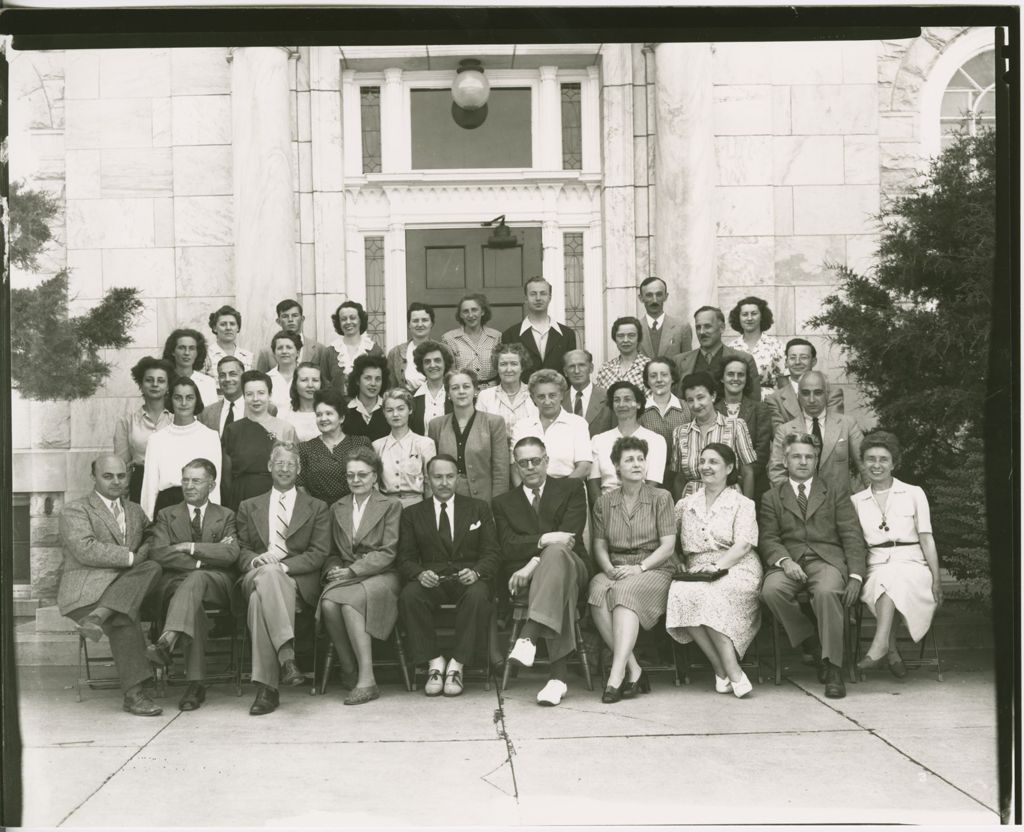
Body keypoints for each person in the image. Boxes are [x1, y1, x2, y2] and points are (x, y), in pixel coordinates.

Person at [759, 433, 868, 700]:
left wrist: (855, 575)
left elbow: (851, 535)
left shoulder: (834, 492)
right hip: (790, 561)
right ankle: (812, 641)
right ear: (785, 460)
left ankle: (833, 669)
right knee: (771, 591)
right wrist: (785, 561)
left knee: (828, 592)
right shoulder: (772, 497)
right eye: (797, 456)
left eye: (809, 457)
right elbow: (768, 538)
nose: (803, 461)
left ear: (817, 460)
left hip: (826, 560)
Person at [57, 455, 163, 715]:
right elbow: (85, 549)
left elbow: (152, 536)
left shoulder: (136, 511)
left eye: (121, 476)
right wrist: (130, 557)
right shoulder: (75, 509)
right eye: (108, 476)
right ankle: (135, 694)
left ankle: (99, 616)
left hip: (125, 591)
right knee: (124, 617)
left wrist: (144, 553)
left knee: (154, 567)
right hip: (87, 591)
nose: (116, 481)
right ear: (93, 477)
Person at [492, 438, 591, 706]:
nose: (530, 467)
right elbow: (507, 546)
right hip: (546, 578)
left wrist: (531, 564)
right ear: (516, 467)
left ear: (546, 460)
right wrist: (545, 538)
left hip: (573, 566)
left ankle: (529, 633)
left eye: (536, 460)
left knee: (558, 555)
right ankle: (557, 679)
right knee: (560, 582)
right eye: (523, 463)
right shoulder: (503, 502)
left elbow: (567, 540)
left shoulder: (571, 488)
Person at [236, 441, 330, 715]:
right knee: (264, 578)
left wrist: (282, 568)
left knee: (258, 601)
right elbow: (240, 550)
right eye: (279, 463)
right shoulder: (248, 506)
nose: (285, 468)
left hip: (296, 580)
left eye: (291, 463)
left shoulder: (317, 507)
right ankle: (287, 656)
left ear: (299, 469)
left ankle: (267, 690)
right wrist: (256, 560)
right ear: (269, 466)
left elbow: (319, 552)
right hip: (256, 572)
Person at [397, 454, 501, 697]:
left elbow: (493, 553)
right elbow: (404, 558)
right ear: (427, 479)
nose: (444, 482)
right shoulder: (413, 514)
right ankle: (434, 662)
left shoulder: (478, 508)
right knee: (410, 595)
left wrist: (476, 572)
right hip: (433, 579)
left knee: (478, 596)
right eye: (438, 477)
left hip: (468, 578)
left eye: (450, 477)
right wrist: (420, 574)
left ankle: (457, 665)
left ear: (458, 478)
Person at [666, 444, 762, 698]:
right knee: (680, 593)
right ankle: (722, 669)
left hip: (736, 566)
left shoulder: (742, 503)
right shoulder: (685, 505)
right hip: (698, 567)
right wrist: (676, 559)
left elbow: (743, 544)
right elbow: (666, 538)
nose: (706, 467)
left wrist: (717, 567)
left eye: (714, 462)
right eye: (703, 461)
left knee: (712, 596)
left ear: (729, 468)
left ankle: (732, 671)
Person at [145, 458, 239, 711]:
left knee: (197, 581)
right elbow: (159, 552)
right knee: (193, 602)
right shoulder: (166, 515)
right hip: (178, 585)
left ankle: (167, 640)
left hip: (217, 584)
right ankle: (195, 685)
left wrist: (191, 547)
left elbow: (231, 555)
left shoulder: (227, 515)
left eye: (196, 481)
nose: (189, 486)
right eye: (185, 480)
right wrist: (204, 560)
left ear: (212, 484)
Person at [588, 437, 677, 703]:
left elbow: (668, 546)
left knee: (624, 593)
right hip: (617, 566)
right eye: (629, 460)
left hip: (654, 567)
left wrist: (639, 568)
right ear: (616, 467)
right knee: (596, 590)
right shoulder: (604, 502)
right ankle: (634, 670)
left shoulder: (661, 497)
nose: (637, 464)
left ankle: (616, 677)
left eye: (640, 459)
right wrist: (608, 568)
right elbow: (600, 545)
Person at [851, 432, 943, 677]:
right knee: (886, 578)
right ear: (863, 462)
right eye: (870, 459)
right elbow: (854, 544)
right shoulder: (856, 501)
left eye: (883, 459)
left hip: (913, 564)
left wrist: (937, 579)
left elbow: (927, 538)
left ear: (894, 463)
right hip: (875, 565)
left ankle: (881, 646)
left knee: (892, 577)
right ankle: (890, 651)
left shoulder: (914, 493)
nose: (877, 465)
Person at [317, 447, 402, 705]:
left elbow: (389, 552)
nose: (356, 480)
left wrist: (353, 570)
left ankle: (367, 679)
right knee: (329, 604)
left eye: (362, 475)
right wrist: (333, 568)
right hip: (345, 573)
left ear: (375, 476)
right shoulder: (337, 507)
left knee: (350, 603)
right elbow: (331, 550)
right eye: (350, 475)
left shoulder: (391, 505)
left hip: (382, 574)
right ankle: (348, 667)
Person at [768, 370, 863, 498]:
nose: (811, 400)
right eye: (806, 393)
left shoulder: (847, 424)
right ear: (798, 396)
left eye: (818, 393)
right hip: (800, 507)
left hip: (839, 504)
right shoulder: (785, 430)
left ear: (827, 394)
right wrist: (798, 499)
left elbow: (865, 464)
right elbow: (776, 472)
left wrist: (865, 500)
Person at [140, 376, 222, 520]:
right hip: (167, 507)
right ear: (170, 400)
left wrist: (214, 520)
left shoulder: (210, 437)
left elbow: (214, 484)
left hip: (199, 507)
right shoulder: (157, 439)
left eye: (189, 398)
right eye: (178, 397)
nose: (184, 403)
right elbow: (149, 486)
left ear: (197, 400)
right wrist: (148, 522)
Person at [427, 369, 510, 503]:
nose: (461, 391)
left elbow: (501, 471)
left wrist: (497, 506)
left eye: (466, 386)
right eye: (455, 388)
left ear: (475, 390)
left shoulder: (494, 423)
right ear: (448, 394)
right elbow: (432, 470)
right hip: (447, 500)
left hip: (484, 500)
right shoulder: (436, 425)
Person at [671, 371, 756, 501]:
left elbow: (747, 472)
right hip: (691, 502)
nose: (696, 405)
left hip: (729, 501)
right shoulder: (680, 433)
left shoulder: (736, 426)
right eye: (690, 400)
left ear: (713, 396)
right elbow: (679, 479)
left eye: (700, 397)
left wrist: (748, 509)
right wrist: (679, 510)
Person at [221, 371, 297, 512]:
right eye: (249, 394)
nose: (256, 399)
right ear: (244, 396)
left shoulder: (285, 429)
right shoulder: (233, 430)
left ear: (270, 395)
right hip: (241, 496)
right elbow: (226, 478)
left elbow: (294, 470)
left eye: (261, 393)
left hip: (276, 494)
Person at [589, 381, 667, 501]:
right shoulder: (598, 440)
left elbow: (653, 484)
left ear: (638, 404)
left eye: (627, 399)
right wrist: (602, 510)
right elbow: (593, 483)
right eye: (616, 400)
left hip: (642, 508)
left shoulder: (656, 441)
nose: (621, 404)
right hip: (606, 507)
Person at [511, 369, 591, 483]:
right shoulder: (522, 426)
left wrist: (556, 493)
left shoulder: (577, 423)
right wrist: (524, 496)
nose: (547, 401)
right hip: (531, 491)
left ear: (562, 395)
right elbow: (515, 468)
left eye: (552, 395)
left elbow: (584, 467)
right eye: (541, 396)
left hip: (568, 489)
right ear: (533, 398)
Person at [297, 389, 372, 507]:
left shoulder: (360, 443)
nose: (323, 418)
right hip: (319, 514)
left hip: (356, 510)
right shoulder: (305, 449)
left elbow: (372, 480)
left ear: (341, 418)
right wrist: (316, 510)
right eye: (319, 414)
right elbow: (300, 486)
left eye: (329, 413)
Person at [113, 356, 173, 503]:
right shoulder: (126, 421)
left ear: (168, 386)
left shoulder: (176, 419)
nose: (155, 384)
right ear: (140, 384)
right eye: (149, 380)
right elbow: (122, 463)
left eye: (161, 380)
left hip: (171, 482)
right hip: (139, 481)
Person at [671, 307, 761, 402]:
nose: (702, 332)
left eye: (707, 326)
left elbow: (754, 403)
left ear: (722, 328)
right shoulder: (679, 361)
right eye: (698, 327)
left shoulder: (744, 359)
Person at [715, 358, 772, 498]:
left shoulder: (760, 409)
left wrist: (742, 476)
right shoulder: (713, 410)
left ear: (746, 379)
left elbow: (762, 451)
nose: (735, 378)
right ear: (722, 378)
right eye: (730, 374)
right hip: (717, 483)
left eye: (740, 374)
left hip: (754, 484)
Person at [500, 276, 578, 375]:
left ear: (550, 298)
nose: (538, 298)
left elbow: (571, 370)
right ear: (526, 299)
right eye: (533, 294)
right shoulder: (510, 335)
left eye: (543, 293)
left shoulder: (567, 334)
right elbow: (506, 372)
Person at [373, 388, 437, 507]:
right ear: (384, 413)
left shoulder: (425, 444)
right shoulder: (377, 446)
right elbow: (375, 483)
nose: (395, 414)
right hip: (386, 507)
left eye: (401, 409)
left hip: (416, 506)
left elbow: (430, 483)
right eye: (390, 410)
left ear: (410, 410)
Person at [765, 338, 845, 430]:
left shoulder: (833, 393)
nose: (797, 362)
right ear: (786, 362)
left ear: (814, 361)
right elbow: (779, 434)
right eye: (792, 358)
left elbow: (834, 430)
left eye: (803, 357)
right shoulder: (774, 399)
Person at [475, 341, 538, 446]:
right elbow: (480, 432)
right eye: (503, 364)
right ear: (497, 367)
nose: (508, 369)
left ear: (522, 367)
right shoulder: (485, 396)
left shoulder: (534, 394)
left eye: (514, 364)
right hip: (495, 456)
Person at [725, 296, 785, 398]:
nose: (749, 318)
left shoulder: (776, 346)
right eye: (744, 314)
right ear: (738, 318)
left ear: (762, 316)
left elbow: (783, 382)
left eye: (754, 314)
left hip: (769, 403)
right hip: (739, 401)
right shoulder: (731, 348)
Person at [321, 300, 384, 394]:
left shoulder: (374, 351)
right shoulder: (329, 352)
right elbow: (323, 385)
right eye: (343, 319)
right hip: (337, 407)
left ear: (360, 320)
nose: (348, 322)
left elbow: (383, 385)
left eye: (353, 318)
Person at [441, 293, 502, 386]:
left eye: (474, 310)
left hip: (492, 391)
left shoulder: (496, 337)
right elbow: (447, 372)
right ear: (460, 315)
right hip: (462, 389)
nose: (470, 315)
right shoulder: (449, 339)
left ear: (482, 312)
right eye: (465, 311)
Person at [199, 355, 263, 438]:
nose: (227, 379)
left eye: (233, 374)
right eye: (222, 375)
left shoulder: (262, 409)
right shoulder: (205, 414)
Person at [639, 357, 691, 457]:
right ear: (647, 381)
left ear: (672, 378)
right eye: (653, 376)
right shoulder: (640, 411)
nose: (659, 380)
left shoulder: (687, 408)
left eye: (664, 375)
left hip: (682, 470)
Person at [255, 299, 326, 372]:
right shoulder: (266, 352)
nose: (290, 320)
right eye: (285, 316)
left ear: (302, 319)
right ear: (278, 321)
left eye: (295, 315)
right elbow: (260, 381)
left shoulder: (319, 349)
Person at [637, 276, 692, 358]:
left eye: (659, 294)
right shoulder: (635, 329)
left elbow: (687, 363)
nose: (654, 300)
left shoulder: (682, 328)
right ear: (641, 298)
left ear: (665, 296)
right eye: (649, 295)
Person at [562, 349, 613, 437]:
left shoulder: (608, 397)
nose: (577, 371)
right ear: (565, 372)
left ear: (591, 368)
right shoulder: (559, 400)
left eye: (582, 365)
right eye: (571, 366)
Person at [162, 327, 219, 406]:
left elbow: (212, 414)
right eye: (182, 348)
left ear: (197, 352)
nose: (187, 353)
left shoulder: (208, 382)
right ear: (173, 351)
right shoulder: (163, 381)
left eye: (192, 348)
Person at [387, 302, 436, 391]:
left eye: (424, 320)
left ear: (431, 323)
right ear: (409, 324)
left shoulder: (443, 351)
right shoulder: (395, 353)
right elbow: (390, 388)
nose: (420, 324)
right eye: (415, 321)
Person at [342, 353, 391, 442]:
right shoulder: (344, 411)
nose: (373, 383)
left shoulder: (390, 409)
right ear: (357, 380)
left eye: (378, 379)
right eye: (368, 378)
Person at [410, 340, 454, 436]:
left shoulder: (455, 394)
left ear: (445, 363)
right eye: (427, 362)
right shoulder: (412, 398)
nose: (432, 365)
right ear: (422, 366)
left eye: (437, 360)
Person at [593, 316, 650, 390]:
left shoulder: (648, 366)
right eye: (621, 336)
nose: (625, 340)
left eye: (631, 335)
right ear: (615, 339)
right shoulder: (606, 368)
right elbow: (601, 399)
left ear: (638, 338)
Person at [204, 304, 254, 376]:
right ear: (214, 328)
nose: (228, 328)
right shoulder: (206, 355)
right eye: (223, 324)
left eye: (232, 324)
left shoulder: (248, 356)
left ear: (238, 328)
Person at [280, 361, 322, 442]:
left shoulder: (330, 412)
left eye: (315, 380)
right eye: (304, 380)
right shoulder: (284, 413)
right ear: (295, 384)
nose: (310, 385)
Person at [266, 330, 302, 415]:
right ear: (274, 353)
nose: (284, 351)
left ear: (298, 352)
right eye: (280, 348)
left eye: (289, 347)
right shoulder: (266, 379)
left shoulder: (307, 377)